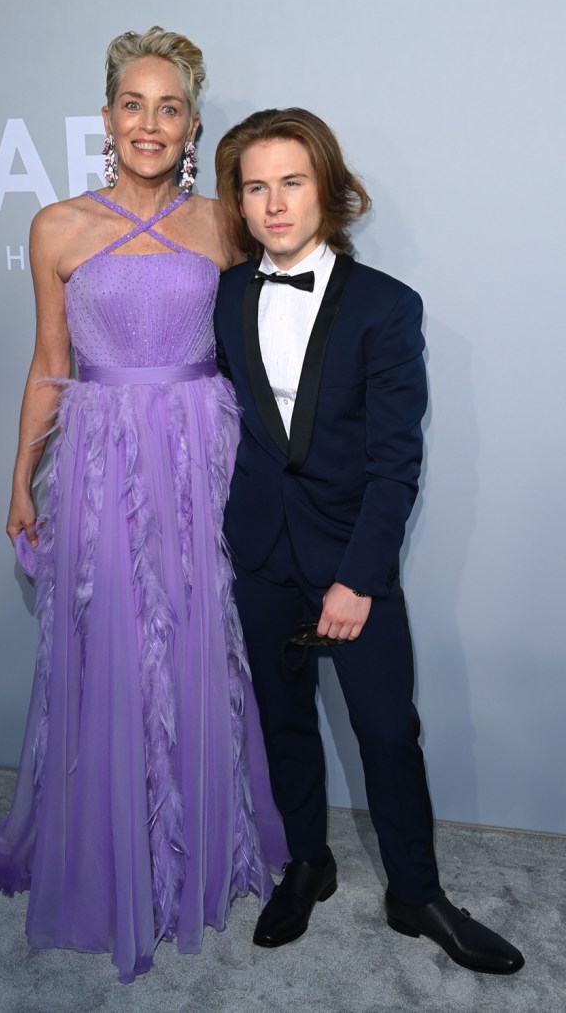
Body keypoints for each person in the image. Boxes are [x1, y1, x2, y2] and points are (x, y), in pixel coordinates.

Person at [0, 29, 287, 984]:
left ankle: (192, 852)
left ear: (194, 124)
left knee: (197, 647)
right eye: (132, 104)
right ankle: (114, 853)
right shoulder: (57, 227)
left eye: (169, 107)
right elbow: (49, 365)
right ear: (106, 116)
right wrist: (20, 476)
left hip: (202, 454)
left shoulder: (224, 226)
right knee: (110, 648)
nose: (148, 123)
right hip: (102, 460)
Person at [213, 108, 524, 974]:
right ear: (238, 201)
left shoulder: (388, 306)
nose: (274, 204)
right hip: (261, 552)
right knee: (281, 723)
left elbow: (397, 464)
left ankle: (416, 892)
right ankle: (306, 863)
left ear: (329, 189)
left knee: (387, 730)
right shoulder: (227, 292)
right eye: (255, 187)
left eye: (293, 182)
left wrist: (359, 579)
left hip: (351, 560)